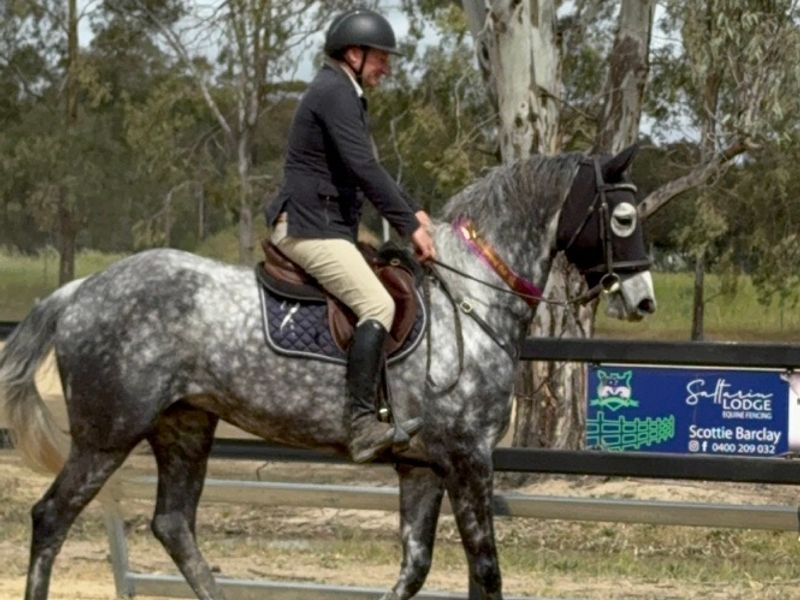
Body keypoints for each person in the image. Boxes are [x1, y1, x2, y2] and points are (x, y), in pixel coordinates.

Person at [265, 7, 436, 463]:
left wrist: (410, 209)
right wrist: (409, 226)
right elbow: (364, 168)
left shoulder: (342, 90)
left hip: (326, 224)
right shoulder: (335, 92)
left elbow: (366, 166)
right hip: (308, 228)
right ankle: (361, 425)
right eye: (382, 58)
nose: (388, 68)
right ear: (354, 53)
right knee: (377, 304)